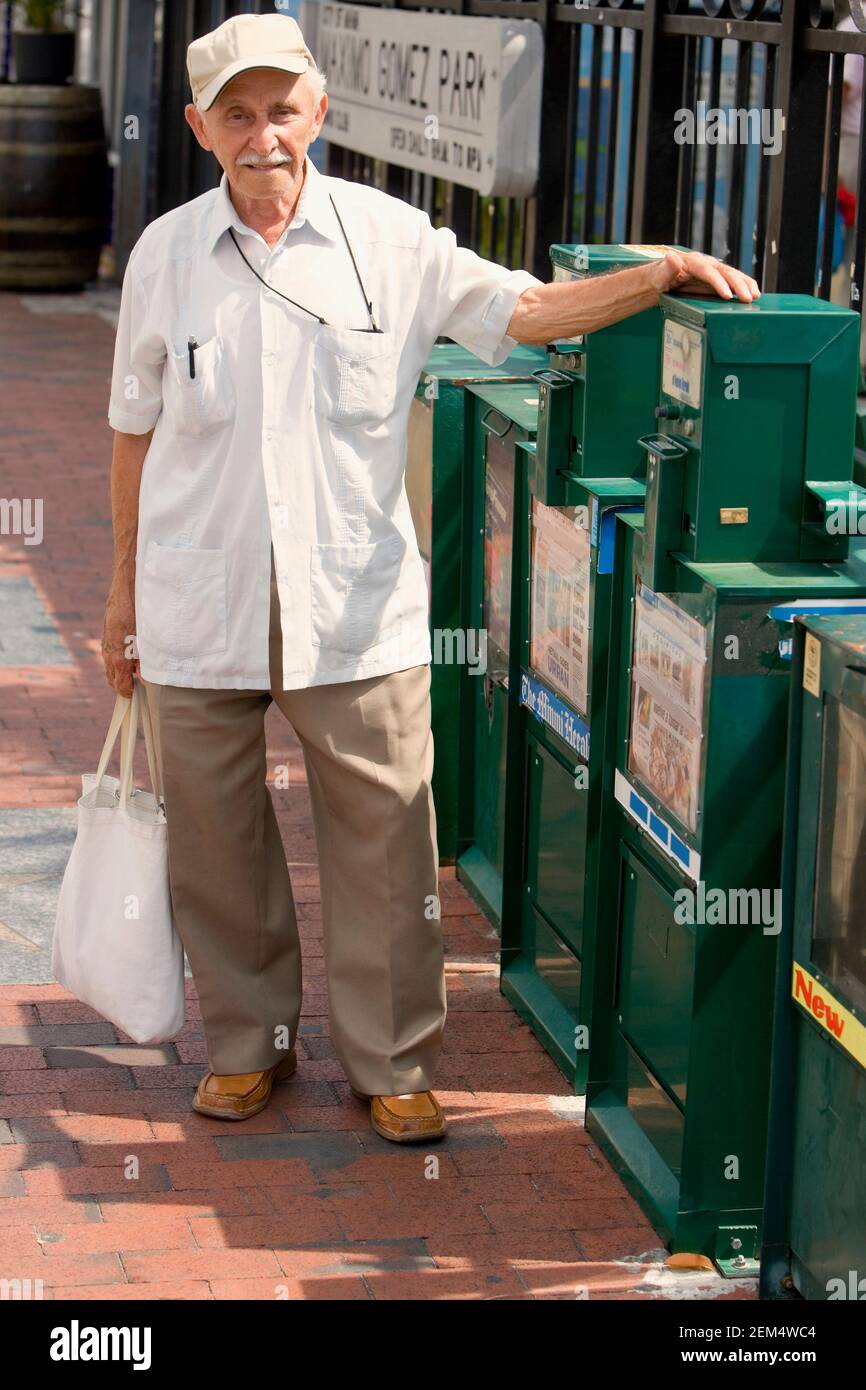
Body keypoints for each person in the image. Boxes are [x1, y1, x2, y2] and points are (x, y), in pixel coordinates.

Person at [101, 11, 759, 1141]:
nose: (264, 135)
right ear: (200, 126)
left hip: (353, 606)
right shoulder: (165, 253)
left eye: (283, 108)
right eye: (238, 114)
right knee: (214, 838)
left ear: (320, 109)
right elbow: (129, 432)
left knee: (386, 834)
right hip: (194, 595)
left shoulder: (393, 238)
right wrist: (119, 597)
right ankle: (246, 1041)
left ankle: (391, 1057)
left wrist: (655, 276)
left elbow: (524, 316)